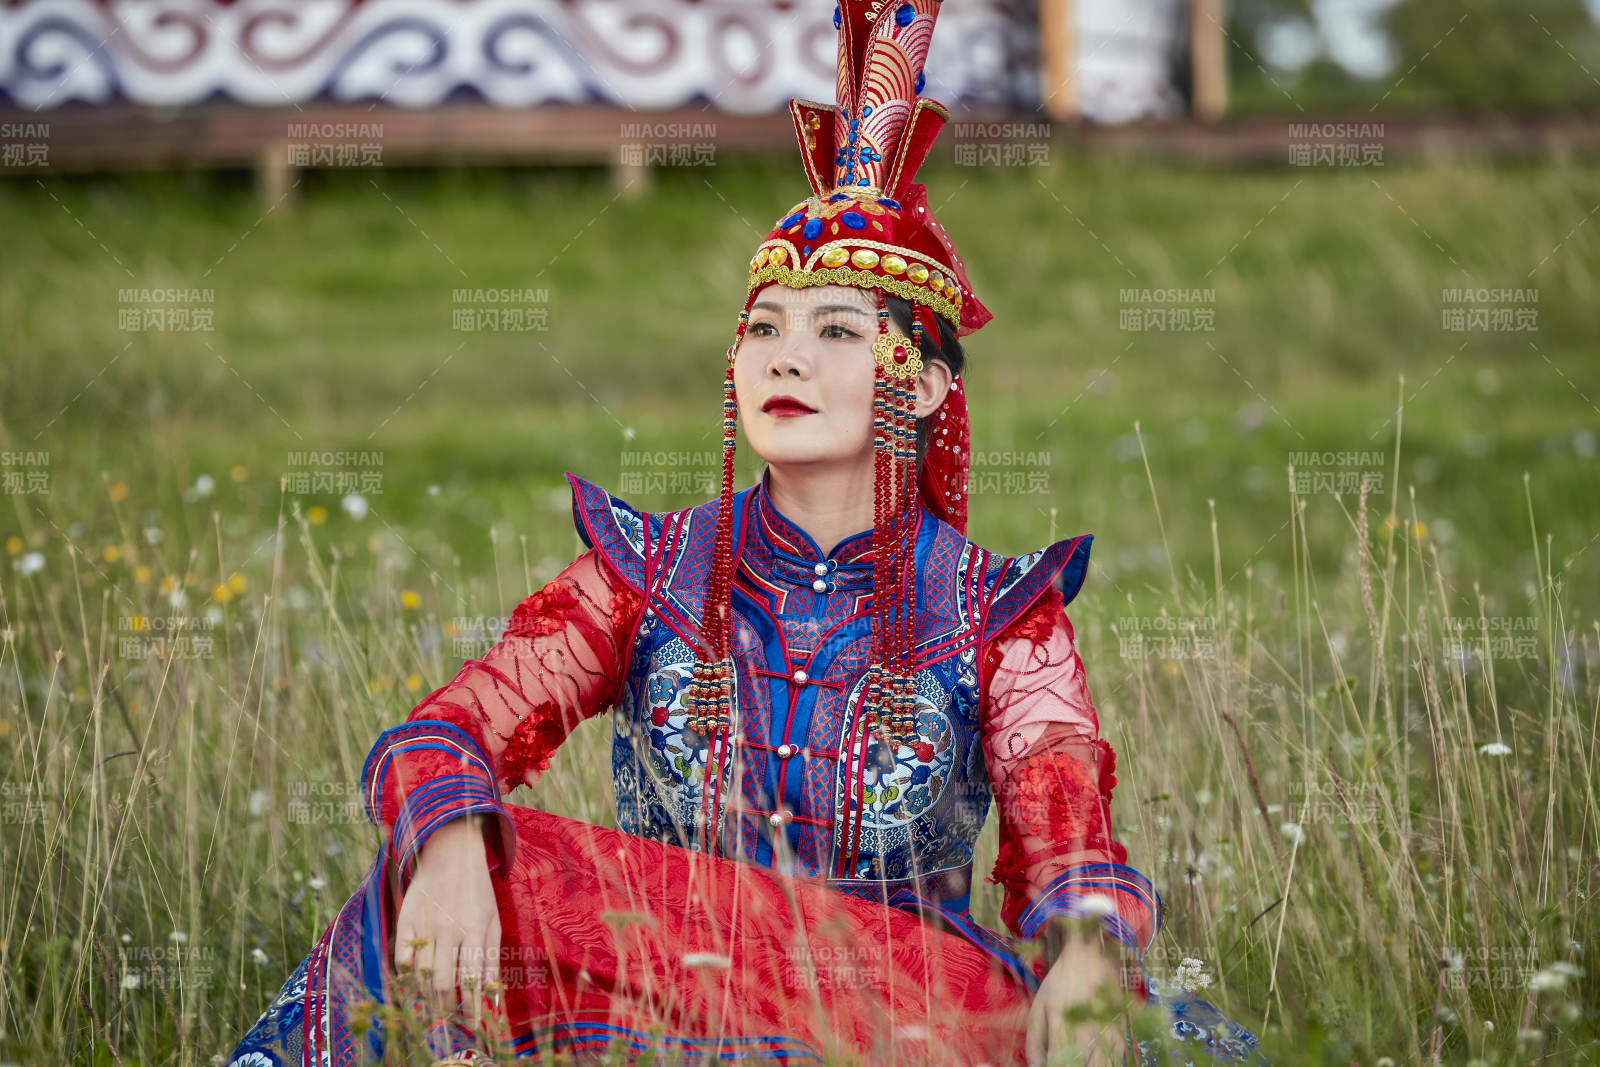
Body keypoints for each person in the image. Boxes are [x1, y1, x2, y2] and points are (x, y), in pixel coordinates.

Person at [228, 2, 1268, 1064]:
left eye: (835, 331)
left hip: (893, 993)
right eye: (762, 327)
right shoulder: (648, 570)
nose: (784, 357)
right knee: (453, 860)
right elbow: (451, 727)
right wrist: (446, 838)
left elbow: (1063, 809)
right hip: (673, 964)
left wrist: (1088, 947)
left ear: (922, 384)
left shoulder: (995, 612)